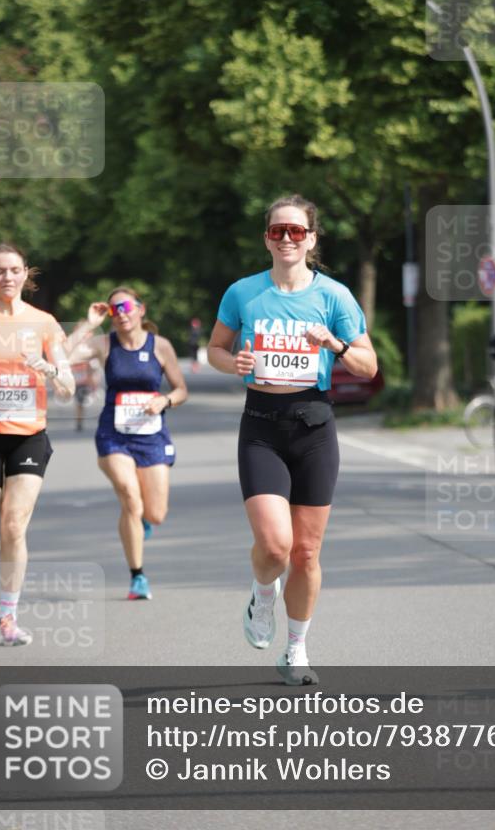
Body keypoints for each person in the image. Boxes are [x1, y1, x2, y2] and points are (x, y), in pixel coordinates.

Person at [208, 195, 377, 685]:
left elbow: (368, 365)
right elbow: (216, 348)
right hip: (262, 425)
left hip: (314, 427)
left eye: (296, 231)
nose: (286, 238)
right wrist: (233, 363)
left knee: (305, 552)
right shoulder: (243, 293)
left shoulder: (334, 296)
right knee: (275, 546)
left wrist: (335, 345)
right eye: (278, 230)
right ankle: (263, 595)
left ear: (311, 239)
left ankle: (296, 650)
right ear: (266, 238)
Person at [0, 244, 75, 645]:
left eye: (14, 270)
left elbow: (67, 385)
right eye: (0, 271)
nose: (7, 277)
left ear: (26, 274)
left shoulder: (44, 323)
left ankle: (7, 616)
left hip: (29, 436)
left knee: (13, 526)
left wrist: (49, 368)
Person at [67, 287, 187, 600]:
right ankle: (138, 577)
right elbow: (62, 357)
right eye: (113, 309)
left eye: (125, 307)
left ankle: (142, 519)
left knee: (155, 514)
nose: (120, 314)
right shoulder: (105, 344)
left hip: (152, 435)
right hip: (114, 434)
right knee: (130, 499)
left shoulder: (160, 345)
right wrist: (89, 324)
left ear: (140, 309)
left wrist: (165, 400)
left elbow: (181, 390)